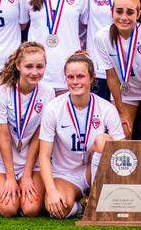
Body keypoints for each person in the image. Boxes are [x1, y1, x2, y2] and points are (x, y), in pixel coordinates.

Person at [93, 0, 141, 193]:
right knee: (122, 133)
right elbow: (111, 76)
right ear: (112, 12)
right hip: (126, 91)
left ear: (139, 13)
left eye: (130, 12)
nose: (124, 17)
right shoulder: (102, 36)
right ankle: (123, 193)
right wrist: (121, 111)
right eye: (119, 11)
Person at [39, 52, 125, 218]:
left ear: (92, 78)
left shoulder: (106, 108)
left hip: (93, 170)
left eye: (80, 76)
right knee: (57, 209)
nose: (75, 82)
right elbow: (44, 156)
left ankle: (97, 196)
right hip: (65, 174)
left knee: (103, 140)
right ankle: (82, 205)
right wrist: (51, 191)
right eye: (70, 77)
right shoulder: (54, 108)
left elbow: (121, 149)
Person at [0, 42, 52, 217]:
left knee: (31, 210)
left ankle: (21, 182)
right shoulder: (0, 90)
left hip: (29, 161)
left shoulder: (48, 92)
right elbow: (4, 136)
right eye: (29, 66)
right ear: (18, 65)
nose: (34, 72)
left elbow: (38, 136)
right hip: (1, 162)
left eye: (40, 67)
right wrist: (10, 177)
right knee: (9, 209)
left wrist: (27, 175)